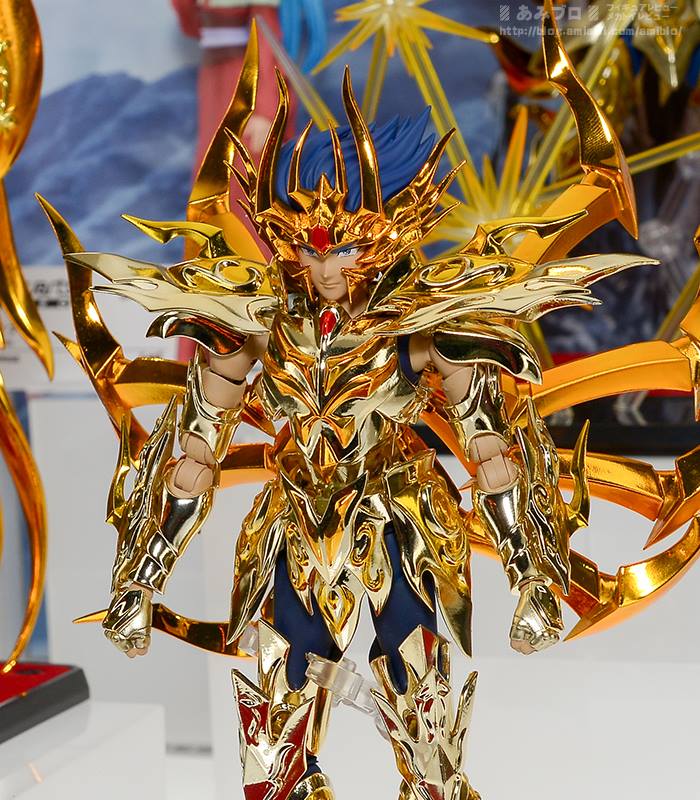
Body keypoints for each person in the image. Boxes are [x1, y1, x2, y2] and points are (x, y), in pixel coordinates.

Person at [68, 59, 649, 800]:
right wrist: (140, 580)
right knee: (276, 729)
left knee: (421, 714)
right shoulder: (256, 326)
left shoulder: (421, 326)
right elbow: (193, 456)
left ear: (382, 234)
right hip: (294, 525)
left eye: (341, 248)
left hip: (397, 518)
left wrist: (532, 574)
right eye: (310, 249)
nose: (324, 268)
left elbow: (490, 451)